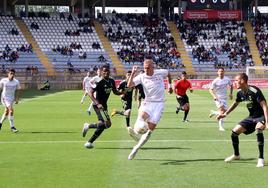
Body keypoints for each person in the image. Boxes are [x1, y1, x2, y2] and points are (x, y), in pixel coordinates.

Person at [217, 73, 268, 167]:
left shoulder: (254, 90)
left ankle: (261, 158)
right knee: (234, 132)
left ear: (242, 81)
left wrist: (267, 122)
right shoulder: (240, 92)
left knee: (258, 130)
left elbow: (264, 106)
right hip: (252, 116)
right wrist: (225, 114)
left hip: (261, 116)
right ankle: (236, 155)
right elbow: (235, 103)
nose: (234, 82)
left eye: (236, 80)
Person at [127, 59, 173, 160]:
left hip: (159, 104)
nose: (146, 70)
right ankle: (135, 133)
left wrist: (170, 86)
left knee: (150, 130)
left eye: (148, 68)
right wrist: (133, 73)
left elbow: (169, 74)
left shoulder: (160, 73)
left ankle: (136, 148)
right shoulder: (142, 76)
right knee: (142, 117)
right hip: (148, 102)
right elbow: (129, 85)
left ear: (153, 67)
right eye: (145, 68)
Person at [81, 65, 123, 149]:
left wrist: (123, 92)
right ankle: (89, 142)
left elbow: (115, 92)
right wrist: (97, 103)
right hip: (98, 106)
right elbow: (90, 93)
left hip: (104, 106)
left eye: (107, 71)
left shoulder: (111, 81)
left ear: (109, 71)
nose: (106, 72)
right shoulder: (99, 82)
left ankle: (88, 126)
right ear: (101, 72)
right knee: (106, 124)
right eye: (104, 71)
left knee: (105, 124)